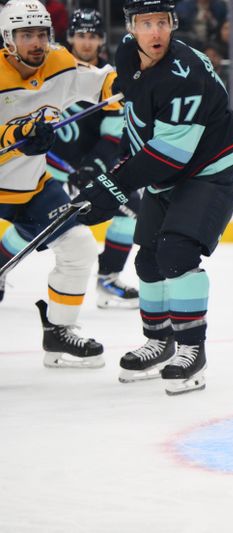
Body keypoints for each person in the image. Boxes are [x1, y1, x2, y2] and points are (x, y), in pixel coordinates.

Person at [73, 0, 233, 394]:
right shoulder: (127, 52)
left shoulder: (184, 73)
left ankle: (192, 352)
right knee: (149, 261)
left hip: (212, 170)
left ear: (173, 23)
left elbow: (169, 154)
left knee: (176, 253)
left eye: (162, 23)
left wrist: (110, 186)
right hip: (169, 177)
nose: (155, 32)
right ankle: (159, 342)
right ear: (131, 28)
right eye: (146, 24)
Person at [0, 0, 118, 368]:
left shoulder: (59, 63)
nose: (36, 42)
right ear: (8, 39)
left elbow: (102, 84)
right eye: (26, 35)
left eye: (41, 34)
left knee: (79, 245)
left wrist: (141, 80)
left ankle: (58, 333)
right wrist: (15, 134)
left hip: (33, 187)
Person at [45, 8, 140, 310]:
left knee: (131, 210)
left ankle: (108, 279)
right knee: (30, 226)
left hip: (86, 169)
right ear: (70, 37)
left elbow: (112, 135)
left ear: (101, 41)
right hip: (46, 167)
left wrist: (91, 168)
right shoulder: (52, 69)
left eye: (94, 36)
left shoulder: (110, 80)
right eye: (81, 35)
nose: (87, 43)